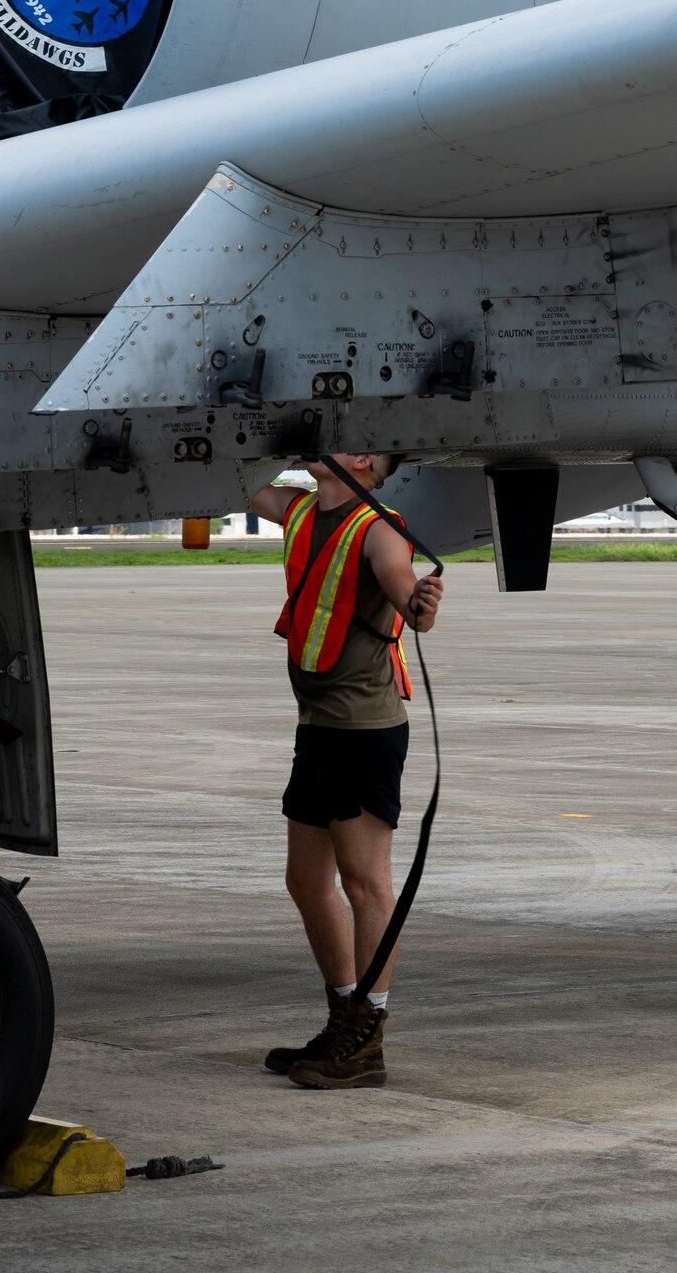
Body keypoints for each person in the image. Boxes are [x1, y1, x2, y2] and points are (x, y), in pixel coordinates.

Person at [248, 454, 442, 1089]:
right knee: (306, 881)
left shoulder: (379, 528)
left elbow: (407, 601)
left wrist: (420, 604)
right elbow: (244, 485)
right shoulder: (302, 509)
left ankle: (368, 1038)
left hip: (365, 731)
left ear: (362, 463)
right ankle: (342, 1015)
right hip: (319, 728)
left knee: (365, 884)